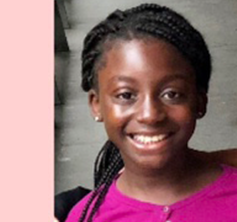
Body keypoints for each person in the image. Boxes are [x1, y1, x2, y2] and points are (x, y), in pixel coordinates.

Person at [63, 3, 237, 222]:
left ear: (200, 102)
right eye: (126, 95)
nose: (150, 114)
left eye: (171, 94)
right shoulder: (86, 216)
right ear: (96, 105)